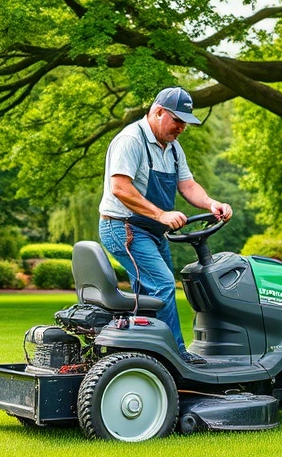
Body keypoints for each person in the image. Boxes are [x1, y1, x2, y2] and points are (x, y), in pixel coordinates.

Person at [98, 87, 232, 364]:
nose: (182, 128)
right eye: (177, 120)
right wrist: (161, 215)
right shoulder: (131, 140)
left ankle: (141, 355)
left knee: (145, 294)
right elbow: (120, 188)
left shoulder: (172, 148)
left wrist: (210, 203)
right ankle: (175, 357)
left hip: (152, 231)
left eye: (185, 122)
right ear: (158, 112)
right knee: (162, 285)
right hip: (123, 227)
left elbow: (187, 185)